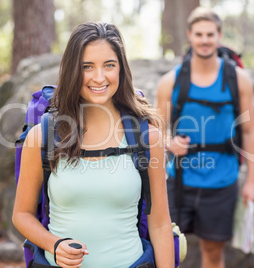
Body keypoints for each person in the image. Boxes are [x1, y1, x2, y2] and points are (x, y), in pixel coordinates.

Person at [12, 22, 174, 268]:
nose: (99, 77)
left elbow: (160, 224)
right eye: (87, 67)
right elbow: (21, 215)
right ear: (72, 71)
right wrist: (53, 244)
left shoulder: (148, 137)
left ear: (121, 69)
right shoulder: (42, 136)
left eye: (109, 65)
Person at [155, 7, 254, 268]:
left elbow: (248, 131)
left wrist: (252, 182)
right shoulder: (171, 81)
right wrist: (169, 142)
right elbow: (156, 131)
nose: (204, 40)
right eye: (199, 34)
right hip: (178, 181)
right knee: (165, 252)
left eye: (210, 34)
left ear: (219, 36)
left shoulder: (239, 80)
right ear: (189, 35)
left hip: (222, 182)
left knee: (213, 254)